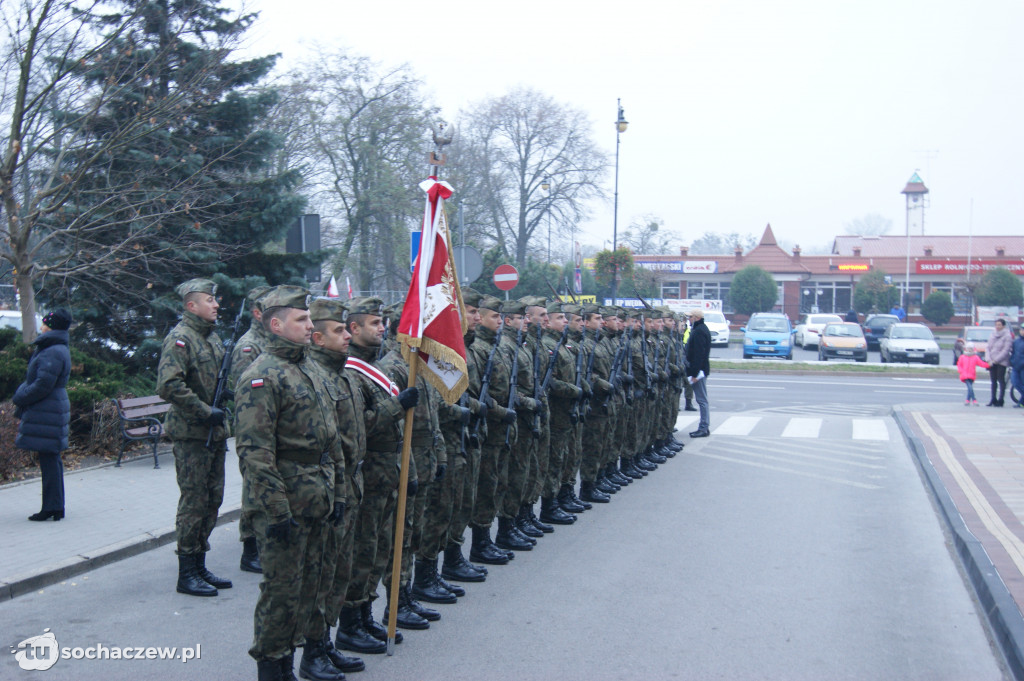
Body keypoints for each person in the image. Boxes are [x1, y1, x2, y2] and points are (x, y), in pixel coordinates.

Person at [234, 286, 346, 681]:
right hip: (286, 500)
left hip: (320, 494)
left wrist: (341, 493)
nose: (310, 325)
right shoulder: (261, 376)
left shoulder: (311, 368)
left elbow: (332, 440)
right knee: (282, 592)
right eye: (301, 320)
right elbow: (255, 453)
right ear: (276, 324)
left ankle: (309, 658)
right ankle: (273, 667)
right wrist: (277, 511)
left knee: (314, 584)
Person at [156, 279, 233, 597]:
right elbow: (168, 385)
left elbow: (212, 381)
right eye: (209, 300)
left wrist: (225, 395)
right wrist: (204, 410)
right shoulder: (180, 339)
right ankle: (186, 572)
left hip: (213, 433)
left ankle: (199, 564)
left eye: (215, 300)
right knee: (194, 502)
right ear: (191, 306)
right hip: (191, 434)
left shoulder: (211, 339)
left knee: (212, 500)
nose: (216, 304)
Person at [15, 308, 72, 522]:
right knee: (51, 459)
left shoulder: (52, 350)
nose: (41, 327)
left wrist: (20, 396)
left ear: (52, 326)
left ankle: (52, 507)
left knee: (49, 459)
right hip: (51, 409)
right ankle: (55, 506)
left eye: (45, 323)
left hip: (47, 410)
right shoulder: (55, 347)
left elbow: (42, 384)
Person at [686, 308, 712, 438]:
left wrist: (695, 374)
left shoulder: (699, 331)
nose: (688, 320)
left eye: (690, 317)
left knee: (702, 400)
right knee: (702, 399)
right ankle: (704, 427)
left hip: (699, 371)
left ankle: (704, 427)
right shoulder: (700, 329)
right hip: (700, 370)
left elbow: (699, 354)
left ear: (696, 317)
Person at [986, 319, 1012, 407]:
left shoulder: (1007, 336)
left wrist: (996, 360)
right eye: (996, 325)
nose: (997, 326)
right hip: (991, 362)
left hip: (1001, 362)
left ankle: (1001, 399)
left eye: (999, 325)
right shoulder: (992, 334)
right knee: (993, 381)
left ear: (1003, 326)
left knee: (1001, 380)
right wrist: (988, 359)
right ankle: (993, 399)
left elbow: (1006, 350)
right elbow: (988, 347)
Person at [1011, 326, 1024, 407]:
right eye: (1022, 330)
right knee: (1015, 383)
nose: (1022, 331)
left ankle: (1021, 402)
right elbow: (1013, 353)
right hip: (1016, 366)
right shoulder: (1016, 341)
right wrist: (1012, 361)